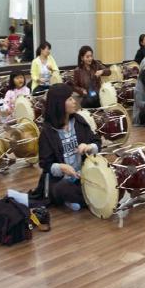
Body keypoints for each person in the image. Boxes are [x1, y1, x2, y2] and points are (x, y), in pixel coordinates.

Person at [38, 83, 101, 211]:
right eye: (70, 99)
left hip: (83, 174)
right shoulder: (47, 131)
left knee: (105, 175)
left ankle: (81, 199)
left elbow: (97, 142)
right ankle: (89, 198)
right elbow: (45, 164)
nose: (74, 101)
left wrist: (88, 146)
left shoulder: (79, 121)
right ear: (59, 104)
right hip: (61, 180)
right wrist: (61, 167)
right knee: (61, 189)